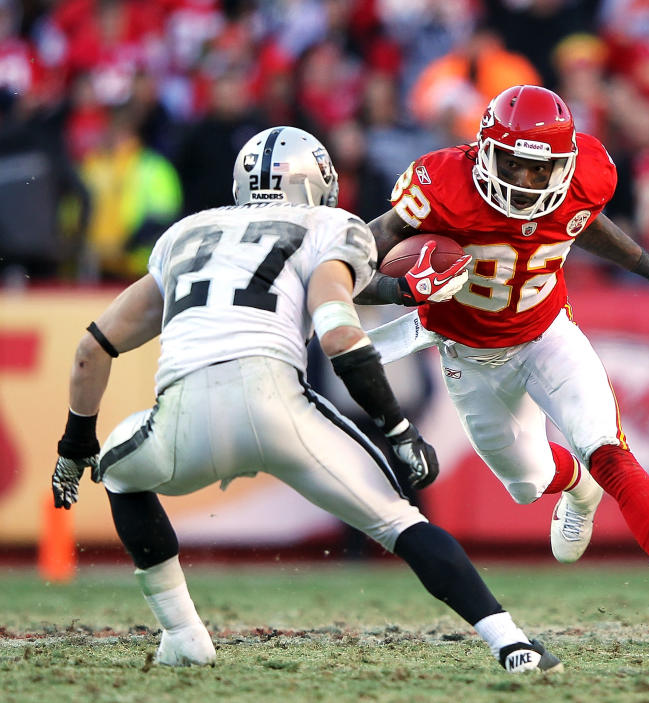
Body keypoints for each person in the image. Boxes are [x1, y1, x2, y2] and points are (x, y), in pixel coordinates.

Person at [50, 125, 562, 674]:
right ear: (314, 180)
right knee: (400, 523)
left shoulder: (185, 235)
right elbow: (339, 329)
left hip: (181, 413)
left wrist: (74, 444)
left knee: (121, 470)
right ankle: (511, 643)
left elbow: (92, 348)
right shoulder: (327, 224)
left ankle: (182, 633)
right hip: (278, 405)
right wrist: (396, 427)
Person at [355, 84, 649, 654]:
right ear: (484, 148)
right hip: (468, 353)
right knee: (526, 483)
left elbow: (587, 224)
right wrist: (401, 288)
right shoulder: (440, 185)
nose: (525, 181)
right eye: (511, 162)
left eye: (541, 169)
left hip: (546, 333)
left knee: (608, 448)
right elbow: (356, 256)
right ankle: (574, 486)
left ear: (564, 163)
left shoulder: (588, 175)